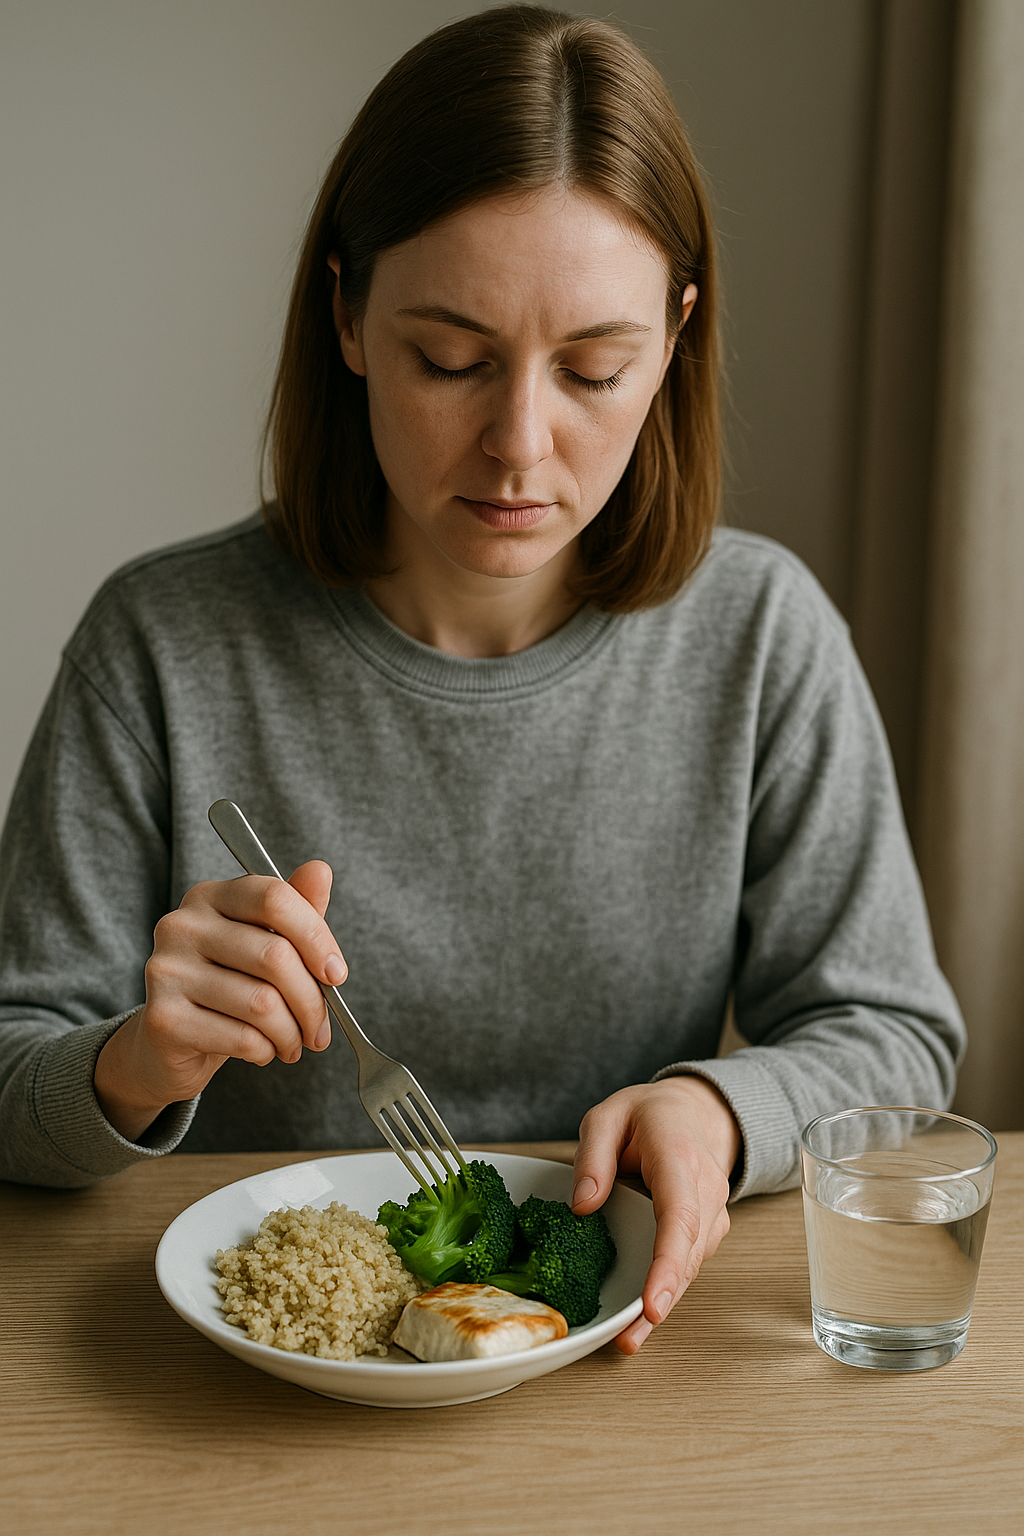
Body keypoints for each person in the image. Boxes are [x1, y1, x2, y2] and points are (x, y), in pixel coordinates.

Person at [0, 5, 964, 1355]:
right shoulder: (160, 640)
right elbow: (11, 1074)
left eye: (594, 369)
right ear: (347, 313)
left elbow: (892, 1032)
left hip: (629, 1362)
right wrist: (136, 1065)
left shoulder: (762, 634)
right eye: (449, 359)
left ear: (675, 339)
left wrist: (722, 1109)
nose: (519, 443)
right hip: (253, 1375)